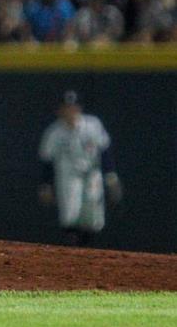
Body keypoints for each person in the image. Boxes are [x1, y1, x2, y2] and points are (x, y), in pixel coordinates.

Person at [38, 90, 121, 247]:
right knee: (70, 213)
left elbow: (105, 150)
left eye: (73, 107)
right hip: (68, 176)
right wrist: (46, 184)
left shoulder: (93, 125)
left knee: (93, 217)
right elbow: (47, 160)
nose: (70, 111)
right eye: (67, 107)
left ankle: (85, 253)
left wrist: (110, 176)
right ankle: (72, 253)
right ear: (60, 110)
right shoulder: (54, 132)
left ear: (79, 108)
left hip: (92, 175)